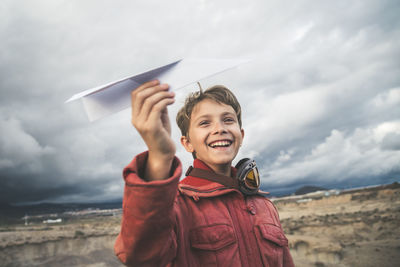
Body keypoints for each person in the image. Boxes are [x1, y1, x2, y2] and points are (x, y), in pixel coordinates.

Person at [114, 80, 294, 266]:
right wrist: (160, 157)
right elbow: (139, 256)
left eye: (228, 120)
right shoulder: (175, 204)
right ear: (187, 143)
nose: (220, 129)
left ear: (241, 135)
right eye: (205, 123)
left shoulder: (264, 205)